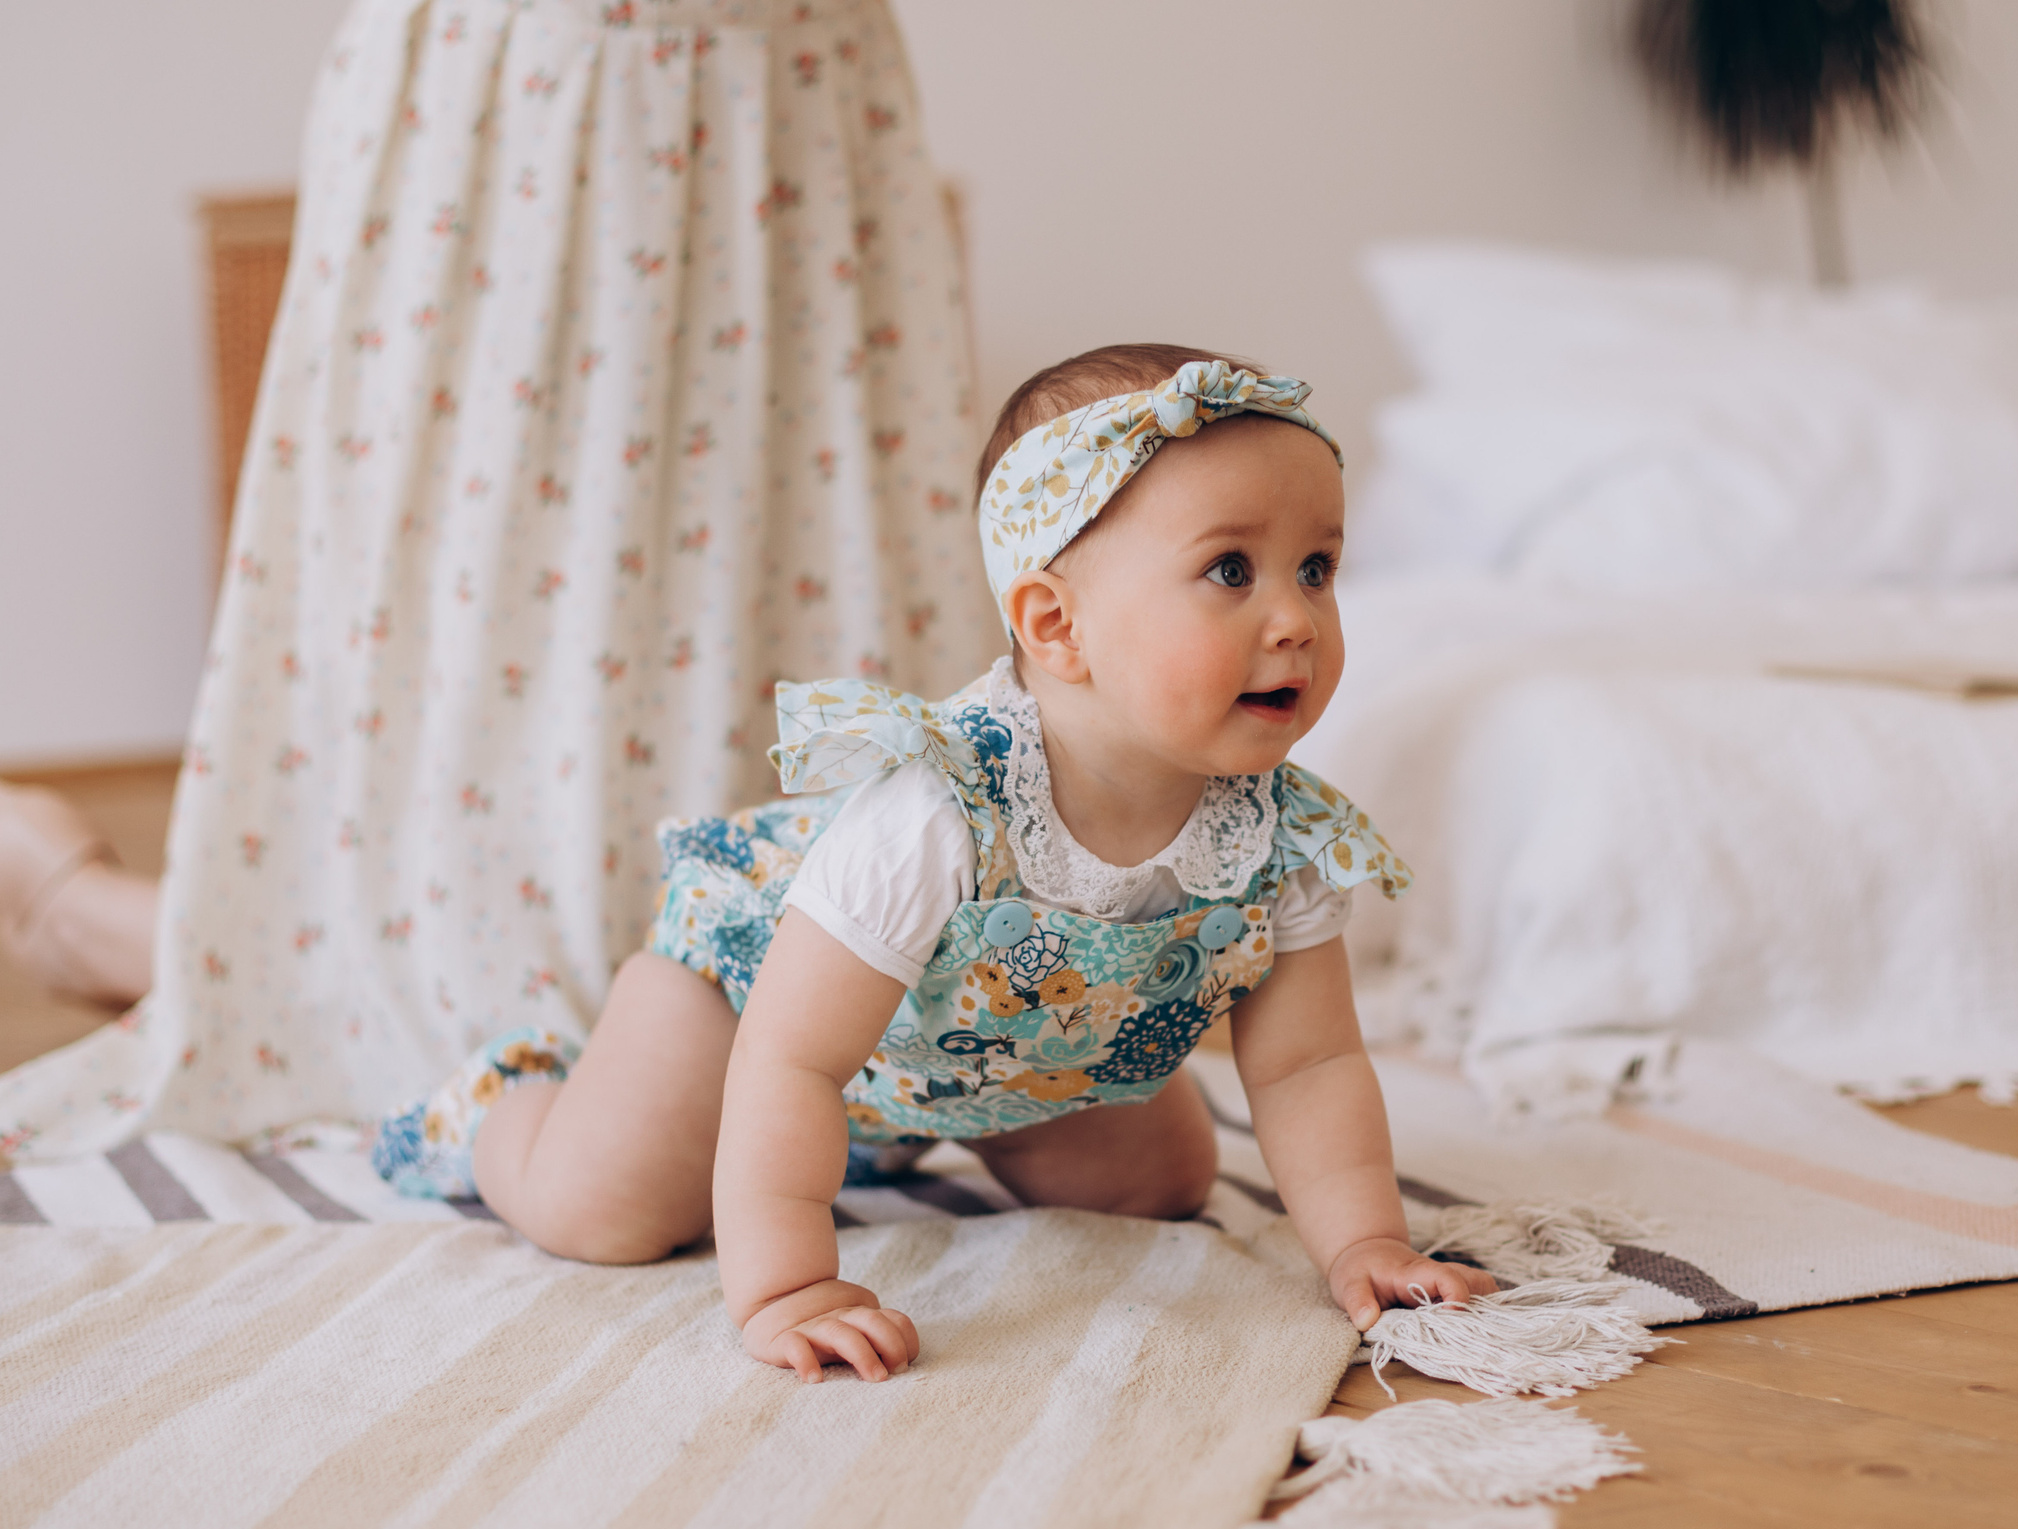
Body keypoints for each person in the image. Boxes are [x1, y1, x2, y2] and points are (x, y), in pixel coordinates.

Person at [369, 346, 1499, 1379]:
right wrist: (789, 1286)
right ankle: (509, 1105)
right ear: (1055, 628)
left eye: (1316, 567)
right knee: (601, 1212)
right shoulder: (938, 807)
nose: (1296, 617)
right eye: (1229, 572)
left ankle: (895, 1139)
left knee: (1156, 1193)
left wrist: (1363, 1242)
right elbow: (794, 1059)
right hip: (750, 1014)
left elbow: (1307, 1068)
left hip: (1002, 1058)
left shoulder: (1281, 833)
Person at [0, 0, 996, 1163]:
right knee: (508, 824)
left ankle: (101, 926)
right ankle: (91, 922)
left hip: (798, 90)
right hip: (541, 97)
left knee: (797, 856)